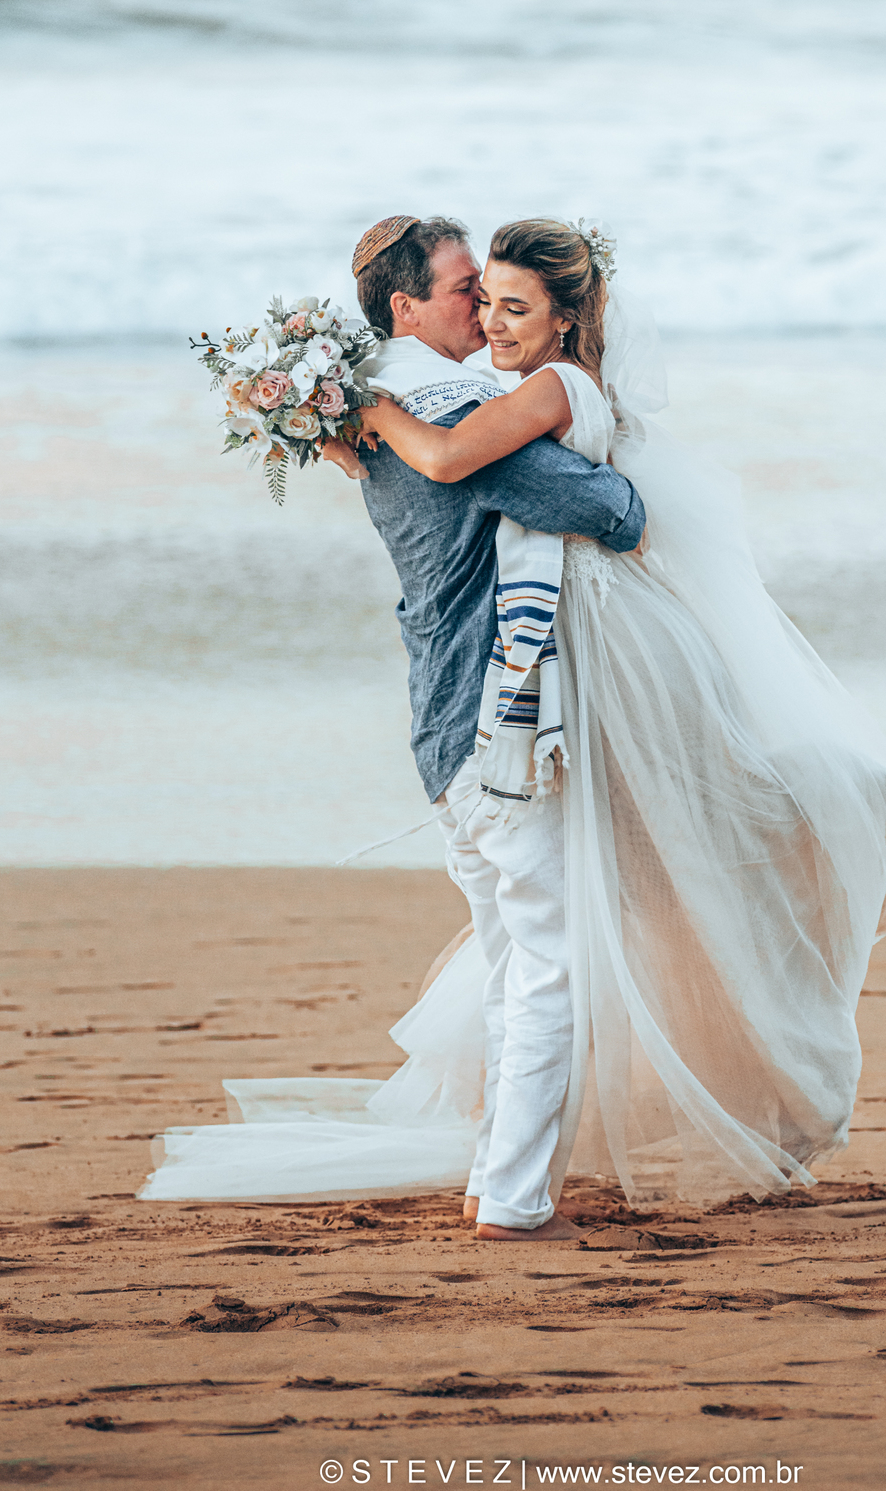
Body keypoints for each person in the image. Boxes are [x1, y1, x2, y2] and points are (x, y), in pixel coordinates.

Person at [139, 216, 646, 1240]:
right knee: (547, 966)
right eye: (465, 288)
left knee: (515, 963)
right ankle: (510, 1197)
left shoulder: (371, 414)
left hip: (439, 732)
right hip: (498, 730)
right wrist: (622, 474)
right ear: (405, 309)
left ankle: (495, 1178)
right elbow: (612, 510)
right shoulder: (450, 407)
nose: (482, 304)